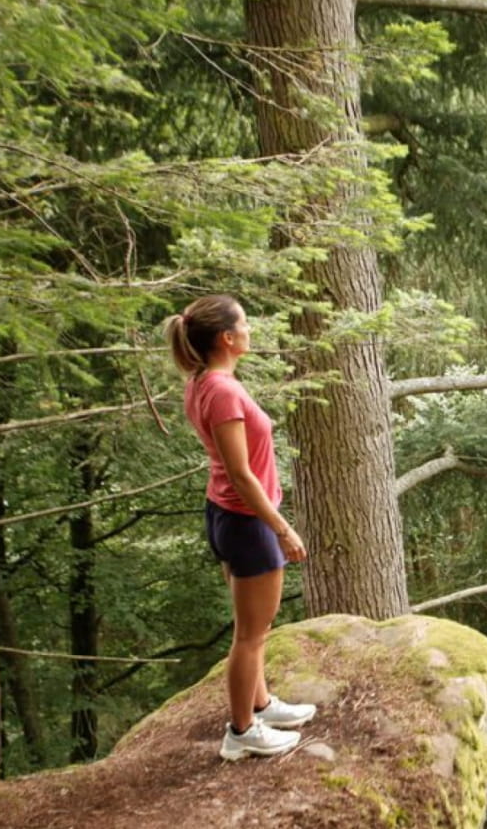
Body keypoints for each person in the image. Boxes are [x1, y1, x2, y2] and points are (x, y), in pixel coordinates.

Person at [166, 295, 317, 760]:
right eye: (245, 324)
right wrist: (282, 529)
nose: (251, 330)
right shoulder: (223, 391)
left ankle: (262, 704)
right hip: (247, 522)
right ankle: (241, 731)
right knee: (250, 634)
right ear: (227, 338)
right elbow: (241, 474)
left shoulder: (203, 383)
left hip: (225, 515)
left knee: (255, 626)